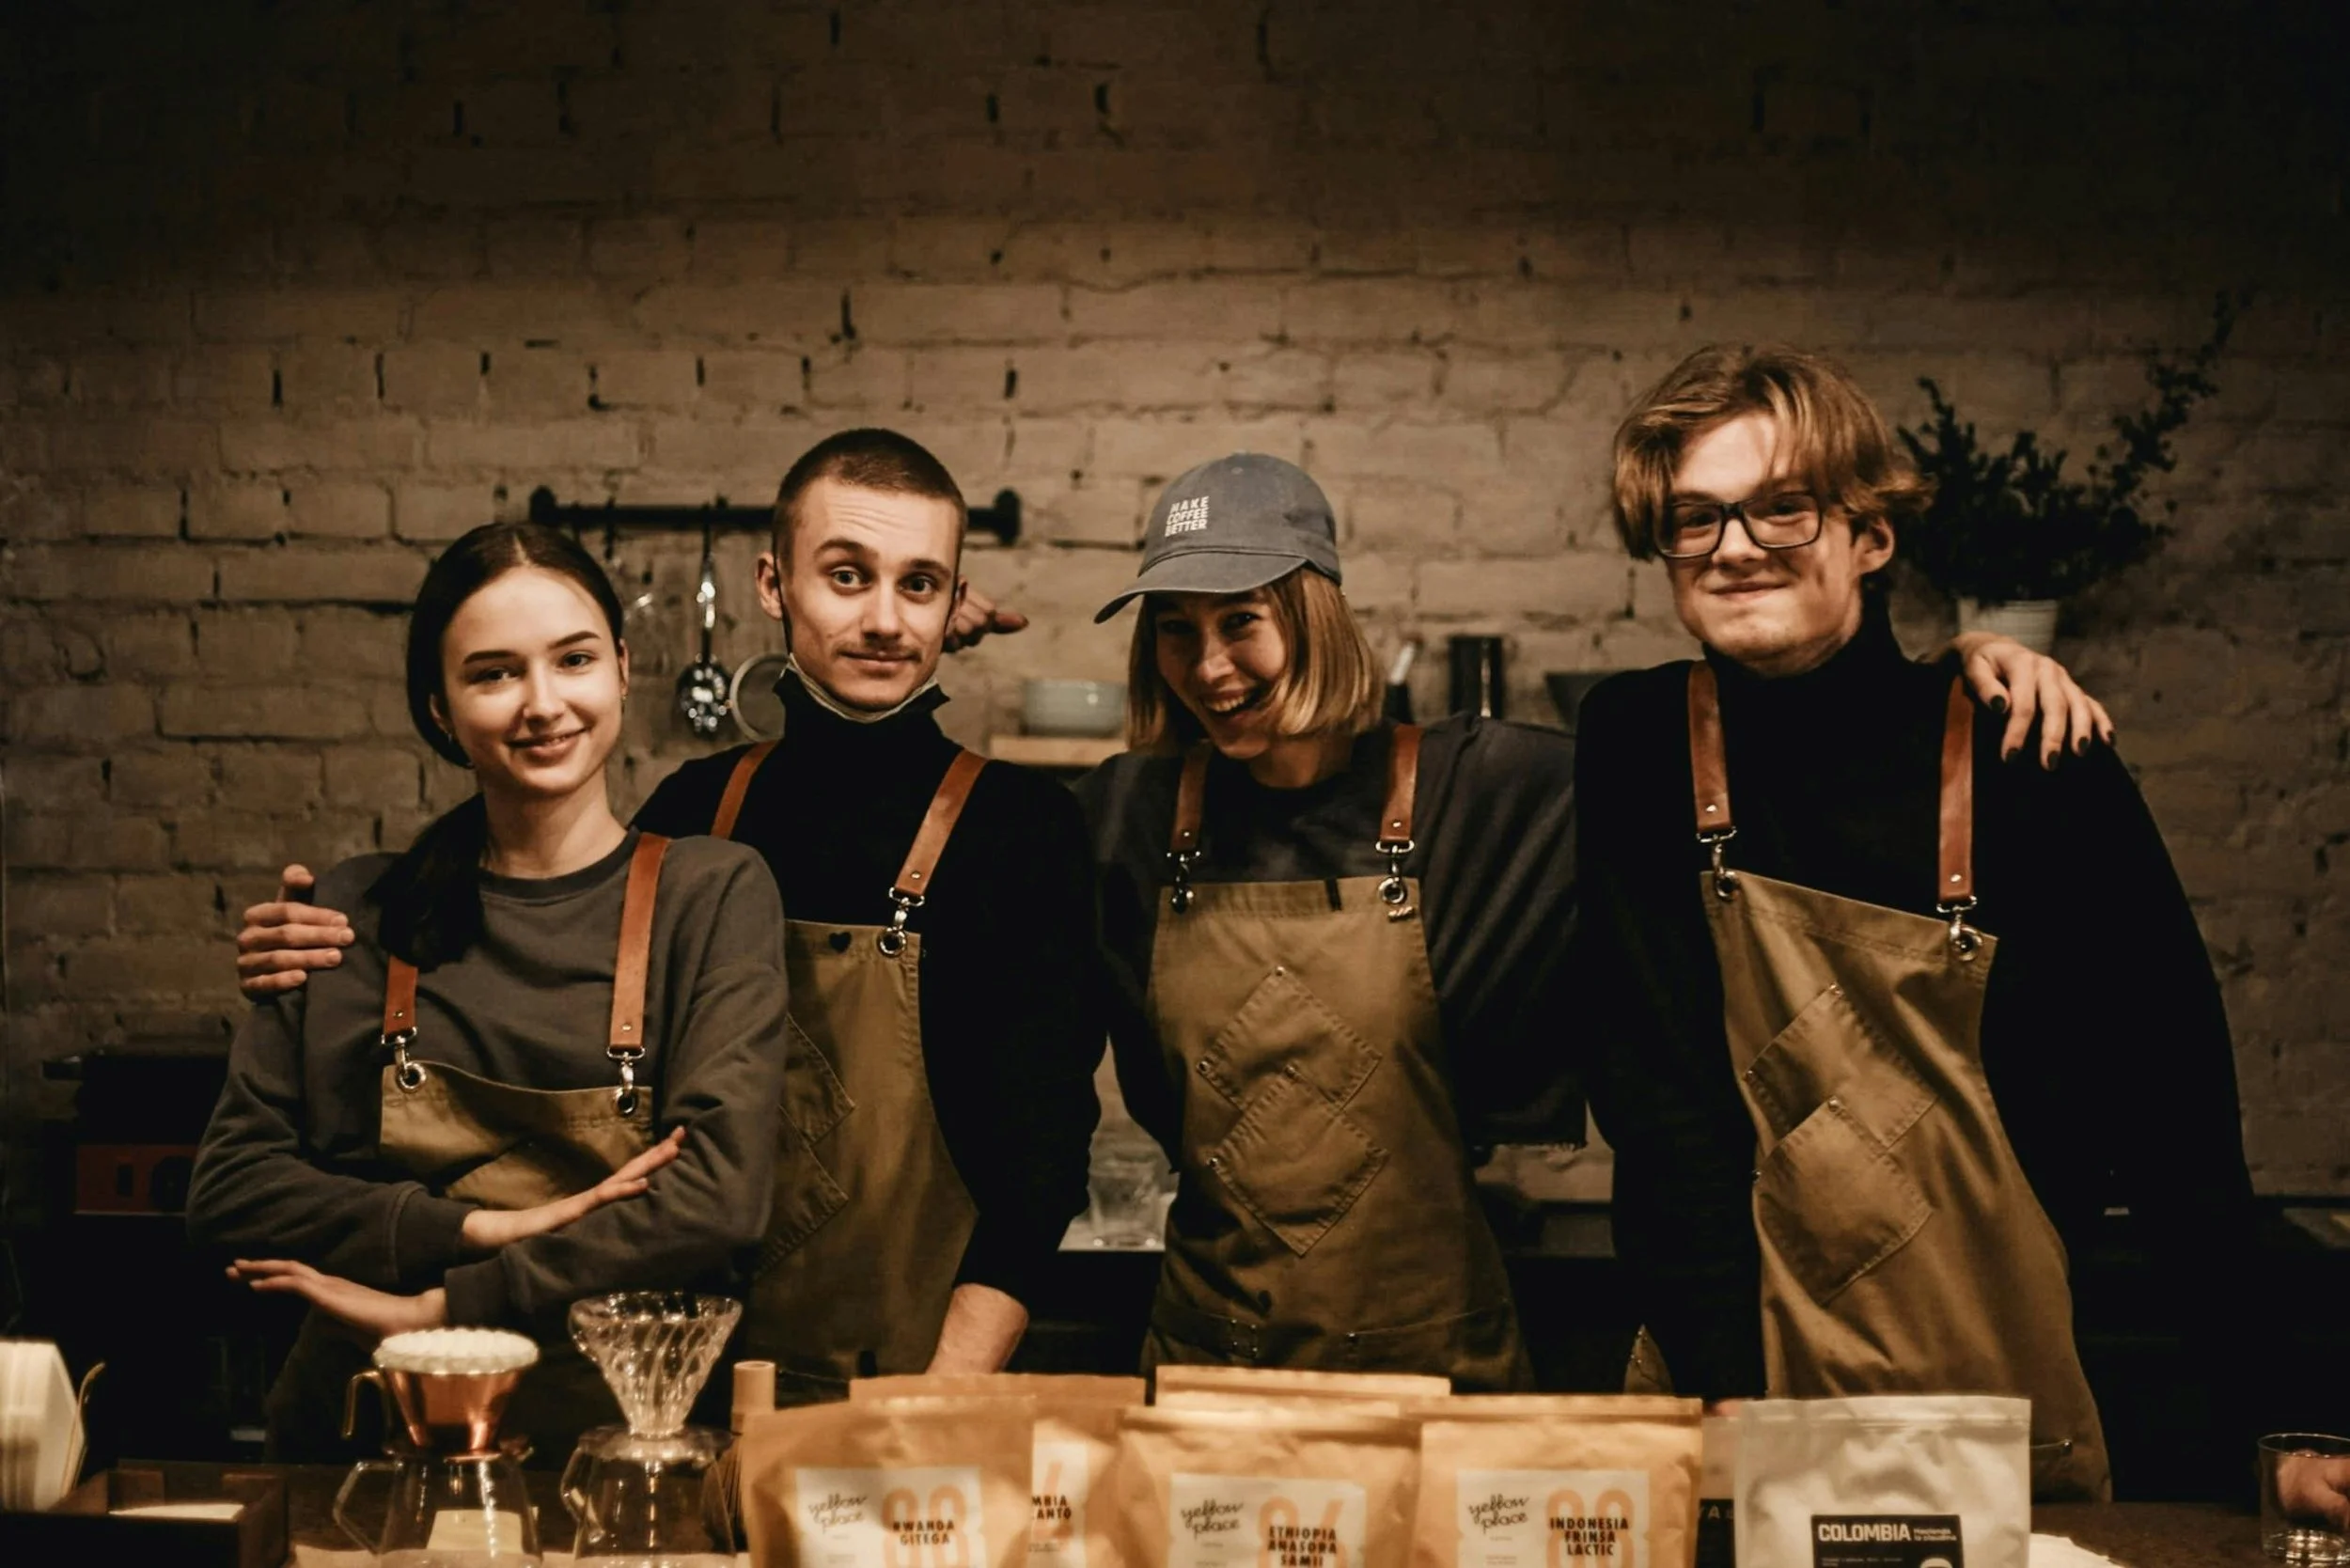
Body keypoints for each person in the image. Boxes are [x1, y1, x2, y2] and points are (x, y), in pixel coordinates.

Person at [1073, 453, 2102, 1390]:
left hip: (1439, 1372)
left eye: (1240, 622)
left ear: (1316, 614)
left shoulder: (1480, 788)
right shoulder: (1123, 814)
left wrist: (1957, 671)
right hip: (1203, 1368)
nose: (1209, 667)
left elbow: (1769, 748)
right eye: (1176, 631)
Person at [233, 430, 1102, 1404]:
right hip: (663, 1372)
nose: (885, 621)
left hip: (896, 1376)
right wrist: (338, 940)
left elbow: (1042, 1156)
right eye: (847, 578)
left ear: (953, 603)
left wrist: (944, 1394)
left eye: (919, 586)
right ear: (773, 587)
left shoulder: (1022, 831)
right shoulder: (696, 814)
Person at [1573, 344, 2257, 1499]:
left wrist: (2279, 1420)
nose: (1733, 548)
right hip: (1737, 1397)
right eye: (1695, 520)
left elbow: (2174, 1102)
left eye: (1780, 510)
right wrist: (1733, 1405)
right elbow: (1659, 1111)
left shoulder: (2028, 751)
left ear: (1870, 538)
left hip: (1990, 1412)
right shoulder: (1637, 744)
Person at [188, 522, 791, 1458]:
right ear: (439, 706)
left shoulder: (709, 897)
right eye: (495, 673)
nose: (543, 705)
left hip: (614, 1455)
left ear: (624, 669)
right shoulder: (355, 911)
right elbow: (233, 1189)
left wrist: (441, 1308)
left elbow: (713, 1202)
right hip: (360, 1446)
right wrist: (482, 1226)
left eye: (574, 660)